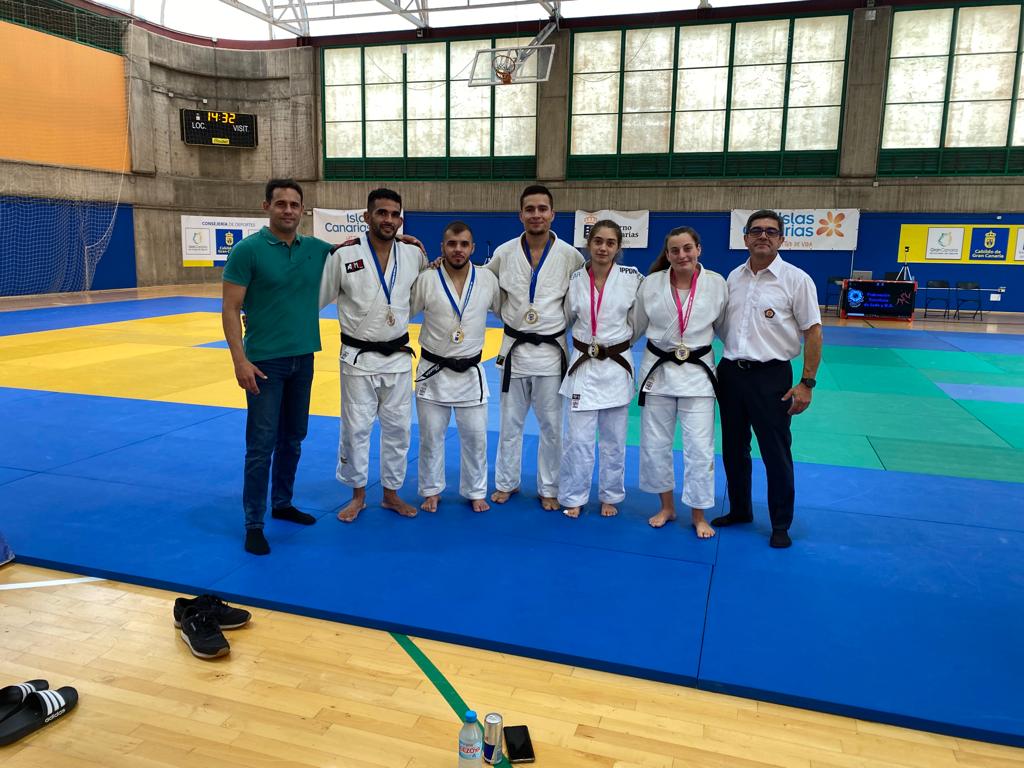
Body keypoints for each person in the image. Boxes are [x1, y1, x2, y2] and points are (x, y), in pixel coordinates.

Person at [222, 178, 334, 556]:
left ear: (303, 210)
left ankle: (282, 503)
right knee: (260, 445)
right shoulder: (247, 251)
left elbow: (362, 253)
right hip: (264, 363)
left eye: (294, 204)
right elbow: (229, 308)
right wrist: (240, 360)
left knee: (293, 438)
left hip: (304, 358)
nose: (288, 210)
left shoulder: (316, 249)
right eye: (281, 203)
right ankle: (254, 522)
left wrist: (413, 246)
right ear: (266, 206)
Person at [711, 209, 823, 548]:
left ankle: (780, 523)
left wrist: (806, 383)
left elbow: (813, 333)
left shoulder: (796, 279)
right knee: (733, 448)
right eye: (756, 230)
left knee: (775, 451)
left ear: (781, 239)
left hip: (772, 376)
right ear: (745, 237)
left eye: (771, 231)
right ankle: (741, 509)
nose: (763, 236)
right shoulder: (732, 277)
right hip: (731, 374)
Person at [319, 188, 428, 523]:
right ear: (366, 217)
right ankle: (357, 495)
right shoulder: (343, 256)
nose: (389, 220)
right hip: (358, 358)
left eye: (395, 214)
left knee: (399, 430)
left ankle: (392, 494)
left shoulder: (413, 255)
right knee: (356, 429)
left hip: (397, 356)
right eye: (382, 213)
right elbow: (317, 298)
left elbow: (425, 296)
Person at [485, 184, 583, 509]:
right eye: (530, 209)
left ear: (553, 214)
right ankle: (506, 483)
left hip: (552, 353)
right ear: (521, 214)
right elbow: (487, 290)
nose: (536, 214)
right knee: (509, 424)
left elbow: (577, 302)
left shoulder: (571, 256)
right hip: (514, 348)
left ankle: (550, 488)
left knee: (552, 427)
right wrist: (509, 317)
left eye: (543, 209)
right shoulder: (503, 252)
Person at [635, 226, 728, 538]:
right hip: (658, 372)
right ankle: (666, 506)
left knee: (700, 449)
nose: (681, 255)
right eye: (675, 250)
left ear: (698, 249)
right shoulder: (651, 284)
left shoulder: (716, 284)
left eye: (687, 248)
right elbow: (635, 326)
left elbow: (726, 329)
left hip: (699, 375)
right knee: (655, 445)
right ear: (667, 253)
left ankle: (699, 514)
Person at [410, 222, 501, 513]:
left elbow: (505, 310)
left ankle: (476, 491)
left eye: (464, 244)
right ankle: (431, 491)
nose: (458, 249)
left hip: (470, 373)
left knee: (476, 437)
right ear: (442, 247)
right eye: (452, 244)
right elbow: (404, 310)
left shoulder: (487, 279)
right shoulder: (427, 279)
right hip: (432, 370)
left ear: (473, 248)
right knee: (430, 437)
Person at [557, 220, 642, 519]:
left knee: (614, 440)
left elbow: (638, 322)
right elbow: (566, 317)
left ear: (618, 247)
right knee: (577, 441)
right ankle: (574, 495)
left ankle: (610, 495)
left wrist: (617, 345)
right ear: (589, 244)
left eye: (610, 242)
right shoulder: (575, 277)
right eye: (598, 241)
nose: (603, 248)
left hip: (616, 367)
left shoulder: (633, 279)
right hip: (583, 367)